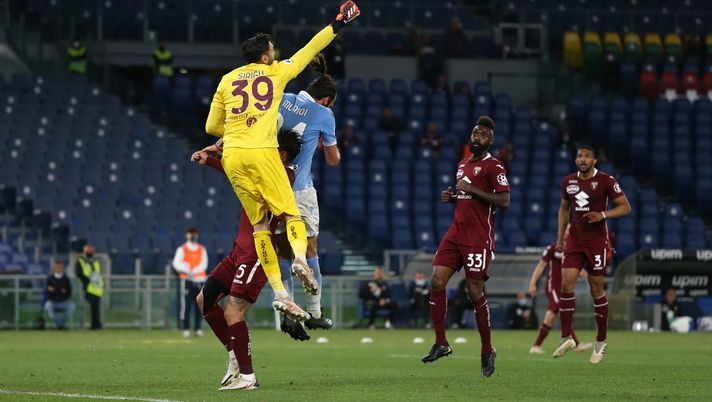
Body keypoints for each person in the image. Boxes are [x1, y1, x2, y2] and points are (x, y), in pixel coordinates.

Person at [203, 1, 360, 321]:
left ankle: (279, 292)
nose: (275, 53)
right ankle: (301, 260)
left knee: (259, 224)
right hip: (262, 154)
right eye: (272, 50)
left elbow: (210, 128)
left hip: (233, 155)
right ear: (264, 56)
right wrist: (340, 21)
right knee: (291, 216)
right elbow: (310, 48)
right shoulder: (275, 73)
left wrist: (237, 128)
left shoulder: (226, 80)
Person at [192, 129, 304, 390]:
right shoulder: (264, 169)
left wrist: (218, 155)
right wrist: (215, 157)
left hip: (257, 253)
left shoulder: (283, 176)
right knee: (204, 300)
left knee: (234, 311)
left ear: (282, 154)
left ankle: (247, 376)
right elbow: (241, 176)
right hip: (239, 250)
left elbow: (244, 178)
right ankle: (234, 355)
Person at [421, 116, 510, 379]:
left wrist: (471, 188)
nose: (477, 137)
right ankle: (441, 342)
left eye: (482, 135)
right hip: (455, 233)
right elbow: (467, 197)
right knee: (436, 280)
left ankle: (486, 350)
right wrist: (453, 197)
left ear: (491, 140)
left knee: (474, 291)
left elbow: (504, 200)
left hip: (478, 237)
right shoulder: (462, 165)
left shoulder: (495, 166)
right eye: (474, 133)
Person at [275, 54, 340, 336]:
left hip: (272, 187)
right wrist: (328, 143)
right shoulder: (325, 114)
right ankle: (314, 312)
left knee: (281, 252)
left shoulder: (283, 97)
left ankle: (286, 311)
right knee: (309, 248)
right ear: (326, 100)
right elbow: (333, 160)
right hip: (300, 190)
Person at [552, 145, 631, 364]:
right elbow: (564, 209)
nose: (583, 159)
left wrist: (603, 214)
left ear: (595, 160)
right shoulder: (568, 181)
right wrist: (560, 238)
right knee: (566, 284)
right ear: (576, 160)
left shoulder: (606, 180)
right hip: (575, 241)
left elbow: (625, 207)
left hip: (596, 243)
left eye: (587, 156)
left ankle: (601, 341)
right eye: (580, 156)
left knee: (596, 287)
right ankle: (566, 337)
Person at [528, 227, 592, 354]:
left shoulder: (573, 249)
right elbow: (541, 266)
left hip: (565, 288)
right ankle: (575, 343)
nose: (568, 232)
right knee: (559, 310)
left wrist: (589, 276)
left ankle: (537, 346)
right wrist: (532, 283)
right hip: (553, 287)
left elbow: (574, 269)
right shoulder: (552, 248)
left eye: (570, 230)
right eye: (566, 229)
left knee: (553, 316)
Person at [172, 227, 208, 338]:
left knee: (200, 306)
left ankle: (197, 328)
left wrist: (193, 271)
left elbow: (203, 264)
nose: (192, 235)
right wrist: (187, 271)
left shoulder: (202, 249)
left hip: (200, 281)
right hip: (187, 281)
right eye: (190, 233)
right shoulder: (182, 249)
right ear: (187, 235)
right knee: (186, 306)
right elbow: (176, 263)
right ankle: (186, 328)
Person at [75, 244, 103, 330]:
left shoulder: (96, 261)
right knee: (94, 306)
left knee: (96, 307)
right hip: (87, 287)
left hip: (97, 288)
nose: (89, 252)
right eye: (88, 250)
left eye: (91, 250)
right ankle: (95, 325)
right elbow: (79, 273)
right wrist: (87, 281)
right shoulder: (81, 261)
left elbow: (98, 273)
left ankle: (96, 324)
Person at [44, 261, 74, 330]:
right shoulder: (50, 278)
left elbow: (69, 292)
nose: (59, 269)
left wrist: (56, 290)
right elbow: (47, 291)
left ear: (62, 268)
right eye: (57, 267)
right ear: (54, 268)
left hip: (63, 301)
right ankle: (60, 325)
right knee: (48, 307)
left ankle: (60, 325)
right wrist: (60, 290)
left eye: (60, 267)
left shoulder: (66, 279)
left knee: (71, 307)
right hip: (52, 301)